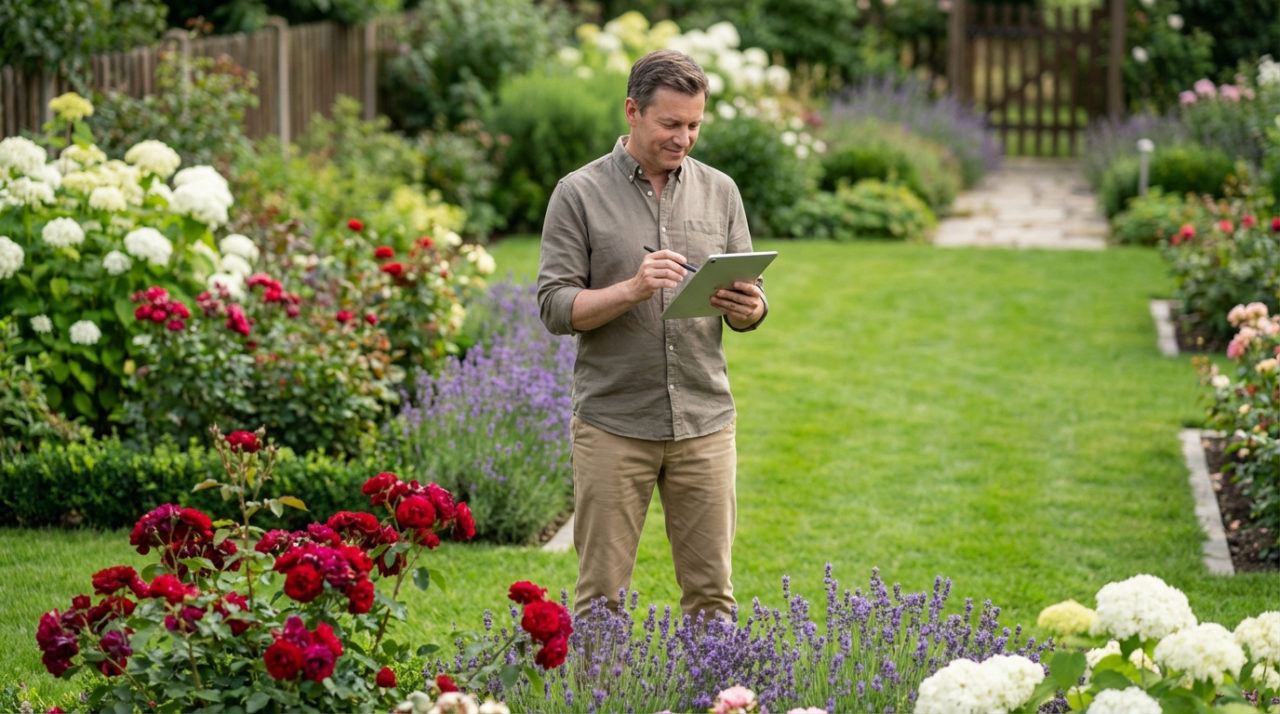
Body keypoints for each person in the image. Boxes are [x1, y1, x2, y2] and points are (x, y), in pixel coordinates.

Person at [536, 48, 768, 622]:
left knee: (713, 598)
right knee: (601, 602)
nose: (683, 138)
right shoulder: (578, 193)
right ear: (632, 111)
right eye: (670, 124)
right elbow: (555, 305)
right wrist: (632, 289)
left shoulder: (720, 191)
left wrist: (751, 308)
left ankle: (717, 684)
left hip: (704, 421)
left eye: (694, 125)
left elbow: (748, 301)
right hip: (614, 423)